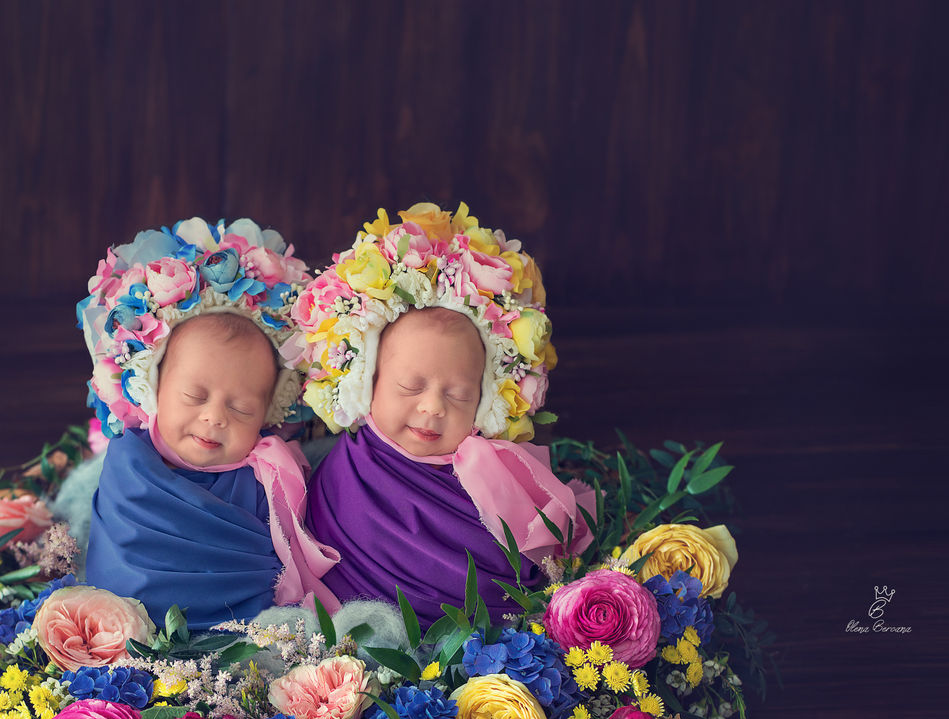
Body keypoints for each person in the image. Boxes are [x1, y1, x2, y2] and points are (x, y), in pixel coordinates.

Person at [286, 202, 595, 626]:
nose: (432, 407)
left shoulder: (495, 480)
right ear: (367, 381)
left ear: (488, 403)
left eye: (460, 394)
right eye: (410, 387)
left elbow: (518, 570)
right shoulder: (344, 474)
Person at [79, 217, 337, 629]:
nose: (214, 417)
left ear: (270, 413)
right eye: (194, 397)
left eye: (241, 409)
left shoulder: (272, 481)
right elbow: (117, 560)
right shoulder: (130, 466)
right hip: (139, 637)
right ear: (153, 388)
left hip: (247, 641)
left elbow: (278, 569)